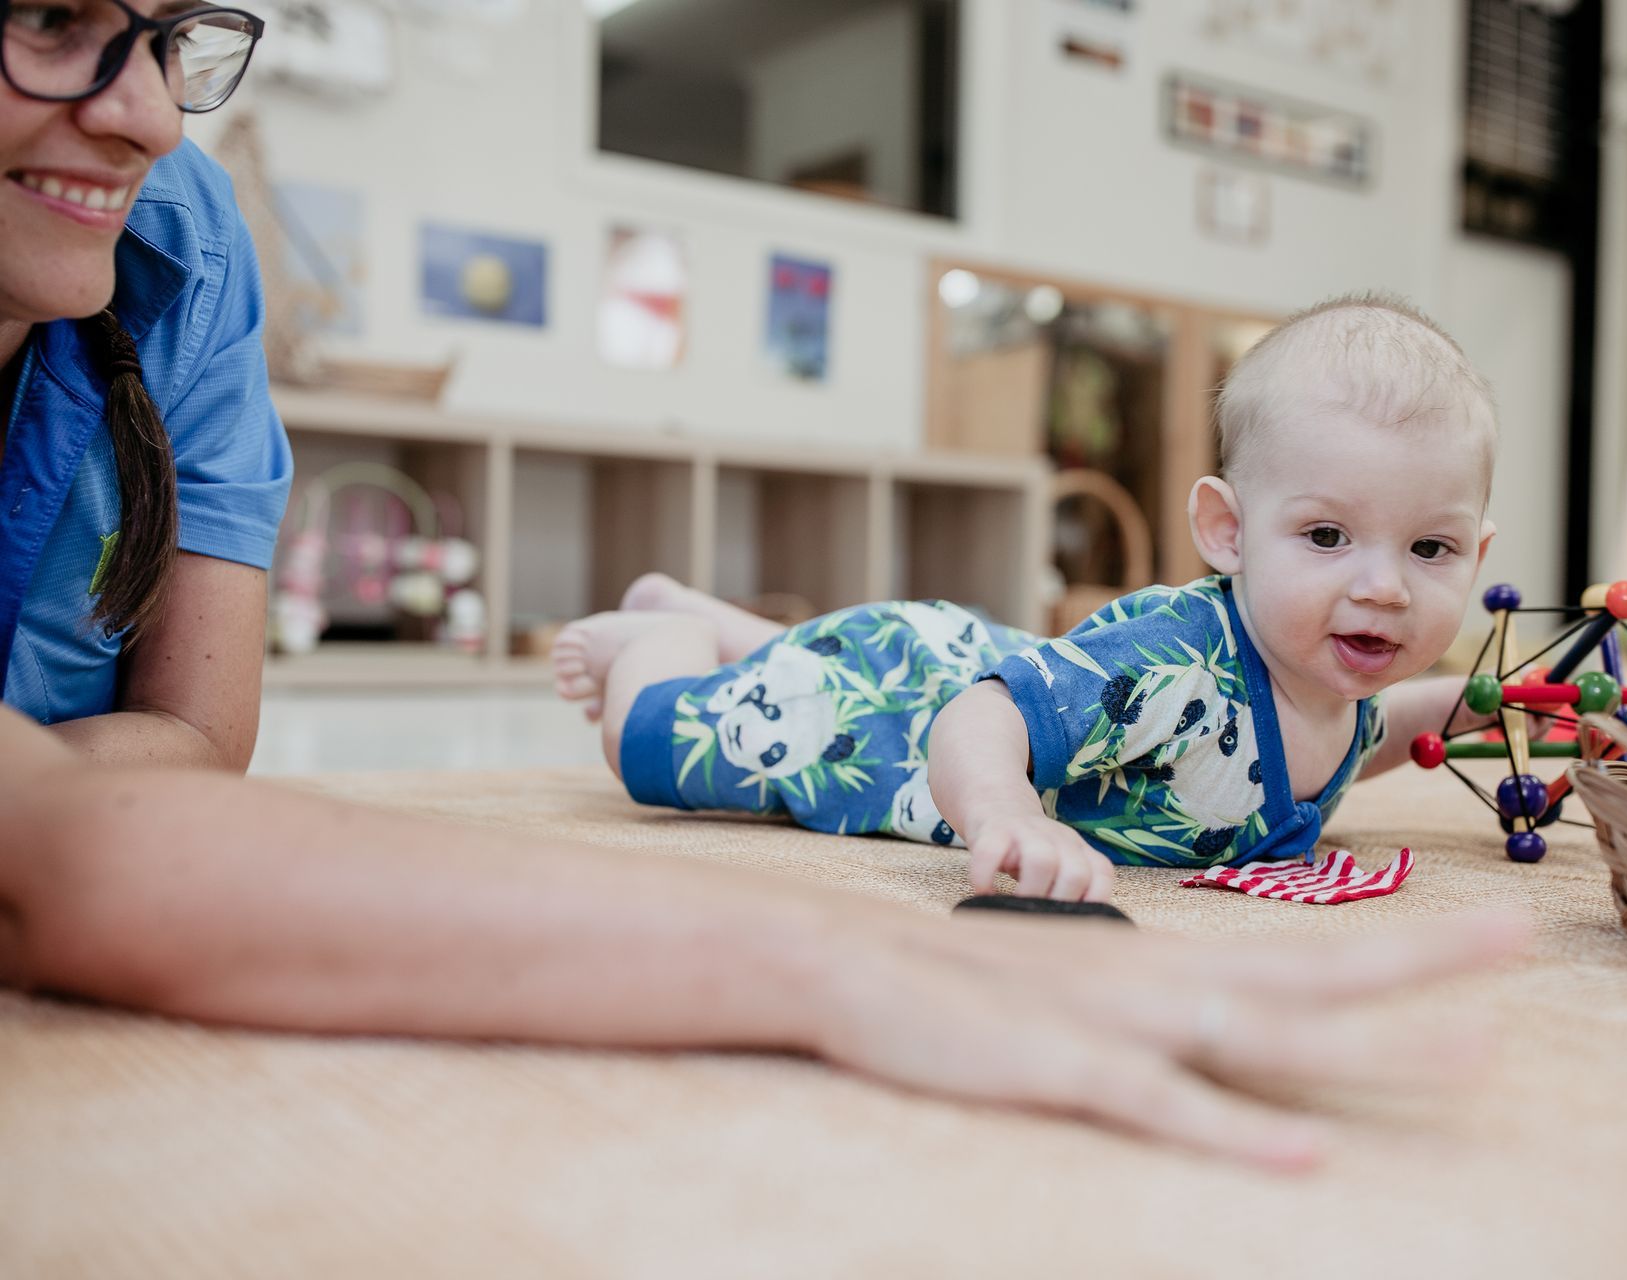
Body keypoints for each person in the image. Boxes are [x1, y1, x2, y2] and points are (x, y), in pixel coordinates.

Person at [0, 700, 1530, 1170]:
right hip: (860, 705)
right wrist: (840, 954)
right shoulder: (1161, 657)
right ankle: (689, 627)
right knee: (685, 715)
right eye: (57, 24)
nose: (140, 105)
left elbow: (137, 789)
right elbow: (67, 850)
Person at [553, 296, 1498, 903]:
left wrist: (1497, 710)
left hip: (954, 654)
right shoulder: (1174, 662)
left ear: (1479, 554)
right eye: (1328, 536)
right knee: (645, 745)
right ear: (1228, 532)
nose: (1383, 586)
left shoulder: (1334, 679)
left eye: (1431, 548)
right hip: (893, 713)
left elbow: (1385, 731)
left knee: (808, 650)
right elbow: (978, 714)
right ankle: (664, 634)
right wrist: (1005, 811)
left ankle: (722, 621)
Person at [0, 0, 290, 770]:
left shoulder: (194, 242)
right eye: (50, 17)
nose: (157, 124)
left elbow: (198, 738)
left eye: (174, 39)